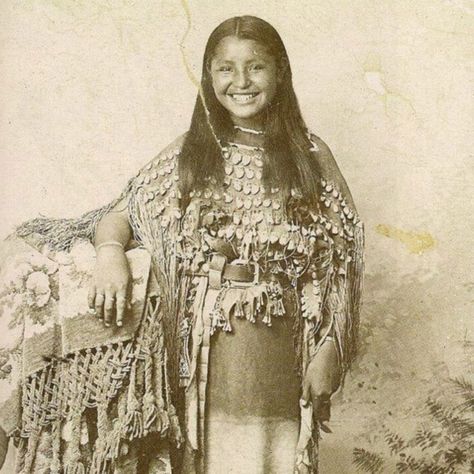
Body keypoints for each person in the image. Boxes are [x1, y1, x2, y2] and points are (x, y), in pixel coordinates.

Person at [0, 15, 363, 473]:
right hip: (198, 356)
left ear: (280, 73)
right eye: (225, 68)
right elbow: (118, 215)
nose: (241, 82)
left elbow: (342, 264)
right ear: (208, 76)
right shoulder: (190, 154)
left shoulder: (311, 158)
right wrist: (111, 253)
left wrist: (331, 348)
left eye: (256, 67)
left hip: (277, 354)